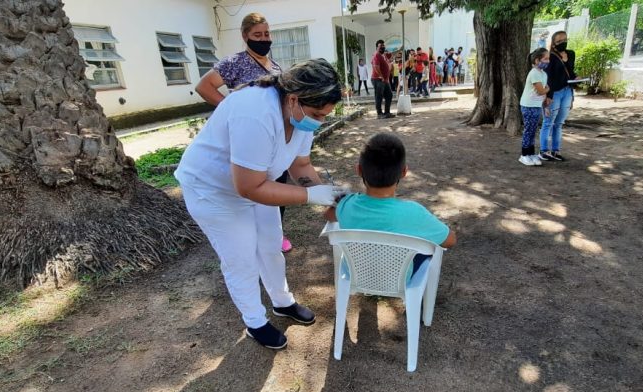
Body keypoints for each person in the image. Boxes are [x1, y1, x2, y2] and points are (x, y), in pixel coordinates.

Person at [175, 59, 347, 349]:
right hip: (213, 189)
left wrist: (326, 194)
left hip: (259, 182)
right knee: (241, 257)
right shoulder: (255, 112)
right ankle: (255, 321)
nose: (319, 121)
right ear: (294, 98)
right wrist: (309, 196)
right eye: (318, 114)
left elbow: (301, 164)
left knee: (270, 245)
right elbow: (248, 187)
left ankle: (282, 302)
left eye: (325, 116)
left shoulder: (301, 115)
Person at [195, 12, 294, 253]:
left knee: (278, 180)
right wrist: (230, 109)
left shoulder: (276, 65)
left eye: (267, 34)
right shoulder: (234, 62)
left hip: (274, 133)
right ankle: (252, 236)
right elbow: (203, 86)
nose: (263, 39)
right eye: (257, 35)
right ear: (245, 36)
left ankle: (274, 231)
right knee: (252, 182)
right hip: (248, 135)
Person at [324, 133, 456, 255]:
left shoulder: (347, 204)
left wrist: (339, 201)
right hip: (399, 279)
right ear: (404, 172)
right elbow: (450, 240)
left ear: (359, 170)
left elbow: (328, 215)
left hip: (355, 276)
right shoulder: (413, 212)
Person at [538, 31, 576, 162]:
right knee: (548, 122)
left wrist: (576, 80)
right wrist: (548, 96)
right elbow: (548, 78)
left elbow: (570, 73)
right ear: (553, 44)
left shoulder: (571, 54)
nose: (563, 43)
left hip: (567, 91)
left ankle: (556, 150)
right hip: (554, 93)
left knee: (559, 123)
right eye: (559, 41)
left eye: (565, 39)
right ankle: (543, 150)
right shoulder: (551, 57)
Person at [519, 48, 550, 166]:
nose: (548, 61)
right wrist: (548, 89)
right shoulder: (534, 73)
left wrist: (545, 106)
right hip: (528, 106)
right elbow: (542, 90)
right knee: (528, 130)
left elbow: (543, 93)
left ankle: (531, 154)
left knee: (533, 131)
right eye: (545, 59)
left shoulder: (543, 74)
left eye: (548, 59)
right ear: (537, 60)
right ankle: (524, 155)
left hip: (536, 106)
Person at [371, 39, 394, 119]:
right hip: (378, 79)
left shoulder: (383, 55)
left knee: (389, 95)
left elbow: (391, 55)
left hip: (384, 80)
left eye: (383, 46)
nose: (383, 47)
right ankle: (379, 114)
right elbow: (376, 67)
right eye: (381, 46)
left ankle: (387, 112)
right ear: (377, 47)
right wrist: (381, 76)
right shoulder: (376, 55)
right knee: (379, 96)